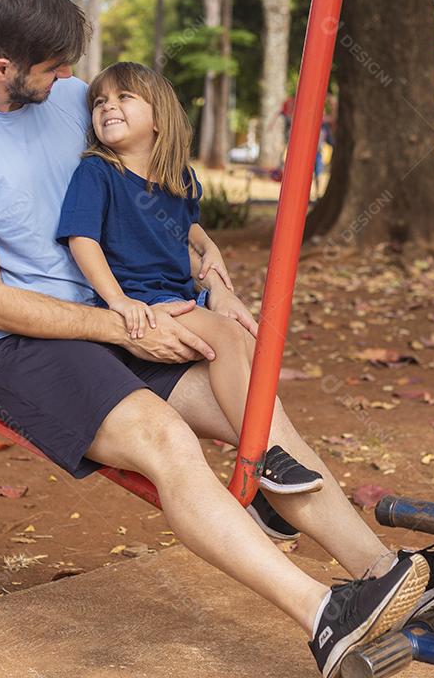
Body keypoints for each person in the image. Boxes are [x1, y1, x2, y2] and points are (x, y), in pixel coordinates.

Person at [0, 0, 434, 676]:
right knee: (167, 441)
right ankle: (324, 616)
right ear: (1, 66)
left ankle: (384, 574)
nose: (71, 78)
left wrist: (212, 277)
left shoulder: (68, 102)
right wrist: (127, 325)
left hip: (119, 314)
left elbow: (155, 202)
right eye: (52, 66)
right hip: (20, 343)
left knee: (254, 405)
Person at [57, 61, 322, 494]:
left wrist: (209, 247)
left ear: (158, 118)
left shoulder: (177, 177)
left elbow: (185, 226)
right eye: (100, 102)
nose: (108, 107)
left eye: (124, 97)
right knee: (226, 334)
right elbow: (81, 239)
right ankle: (263, 457)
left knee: (253, 341)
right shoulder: (99, 172)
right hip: (143, 303)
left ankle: (264, 479)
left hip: (180, 296)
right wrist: (119, 300)